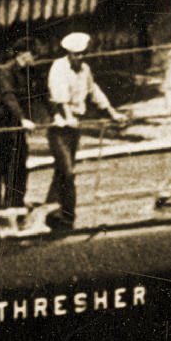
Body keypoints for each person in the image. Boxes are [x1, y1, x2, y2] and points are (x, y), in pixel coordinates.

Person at [45, 32, 127, 229]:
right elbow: (60, 95)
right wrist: (68, 117)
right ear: (69, 54)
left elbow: (93, 91)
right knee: (68, 171)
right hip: (60, 126)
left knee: (62, 171)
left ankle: (50, 210)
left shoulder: (85, 70)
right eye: (76, 55)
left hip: (75, 125)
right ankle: (68, 215)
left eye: (83, 54)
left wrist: (111, 112)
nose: (80, 58)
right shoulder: (59, 68)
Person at [0, 36, 40, 235]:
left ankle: (15, 213)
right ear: (22, 54)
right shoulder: (6, 71)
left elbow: (41, 93)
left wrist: (56, 113)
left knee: (18, 171)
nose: (35, 58)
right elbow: (9, 97)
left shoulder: (31, 72)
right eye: (33, 54)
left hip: (16, 130)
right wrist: (23, 118)